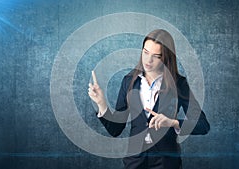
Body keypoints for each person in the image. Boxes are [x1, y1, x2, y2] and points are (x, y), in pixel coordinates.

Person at [88, 29, 210, 169]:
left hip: (167, 163)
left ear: (166, 58)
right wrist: (101, 104)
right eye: (145, 52)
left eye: (156, 56)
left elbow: (203, 125)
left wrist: (173, 122)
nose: (148, 60)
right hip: (134, 163)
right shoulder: (129, 81)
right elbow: (115, 129)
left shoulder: (179, 84)